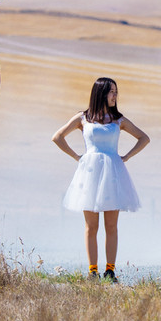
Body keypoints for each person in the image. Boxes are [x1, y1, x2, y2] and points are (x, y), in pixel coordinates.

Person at [52, 77, 149, 282]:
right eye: (111, 91)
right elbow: (58, 136)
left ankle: (110, 270)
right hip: (90, 174)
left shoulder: (118, 119)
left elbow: (144, 138)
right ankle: (93, 271)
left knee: (111, 226)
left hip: (113, 174)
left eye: (116, 92)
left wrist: (127, 156)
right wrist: (77, 157)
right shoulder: (83, 118)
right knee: (91, 226)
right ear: (101, 93)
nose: (115, 95)